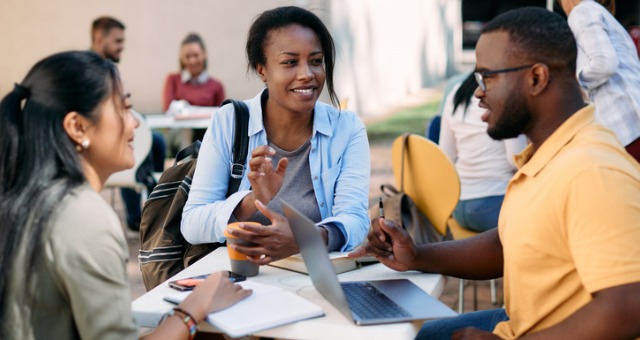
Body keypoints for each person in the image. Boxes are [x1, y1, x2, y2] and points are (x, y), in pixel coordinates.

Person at [350, 7, 640, 339]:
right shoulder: (546, 152)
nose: (477, 92)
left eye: (488, 77)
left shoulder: (592, 169)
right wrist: (417, 255)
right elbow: (508, 244)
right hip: (517, 324)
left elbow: (629, 306)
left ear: (536, 78)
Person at [0, 51, 251, 339]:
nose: (134, 123)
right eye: (124, 108)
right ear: (78, 127)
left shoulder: (26, 199)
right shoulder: (85, 219)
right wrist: (196, 306)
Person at [181, 6, 371, 264]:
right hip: (241, 280)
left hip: (316, 280)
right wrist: (253, 199)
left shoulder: (347, 128)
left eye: (316, 61)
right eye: (290, 62)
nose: (307, 74)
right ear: (262, 70)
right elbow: (191, 223)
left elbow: (355, 218)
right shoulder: (230, 122)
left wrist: (308, 239)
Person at [90, 16, 166, 231]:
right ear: (99, 39)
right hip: (102, 133)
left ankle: (155, 204)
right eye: (118, 41)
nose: (122, 46)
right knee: (138, 140)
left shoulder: (108, 68)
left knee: (157, 141)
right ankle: (136, 216)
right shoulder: (91, 70)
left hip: (114, 127)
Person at [439, 73, 527, 232]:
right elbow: (516, 159)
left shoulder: (456, 92)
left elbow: (446, 155)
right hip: (495, 204)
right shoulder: (506, 94)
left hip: (459, 205)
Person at [558, 0, 640, 162]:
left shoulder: (581, 12)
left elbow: (603, 64)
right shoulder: (600, 13)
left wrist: (575, 82)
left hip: (622, 127)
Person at [162, 33, 225, 149]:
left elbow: (220, 118)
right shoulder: (173, 80)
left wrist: (186, 109)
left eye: (196, 55)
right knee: (186, 131)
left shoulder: (217, 86)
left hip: (206, 134)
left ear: (204, 55)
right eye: (187, 56)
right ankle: (186, 166)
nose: (192, 61)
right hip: (179, 135)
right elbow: (168, 110)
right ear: (181, 58)